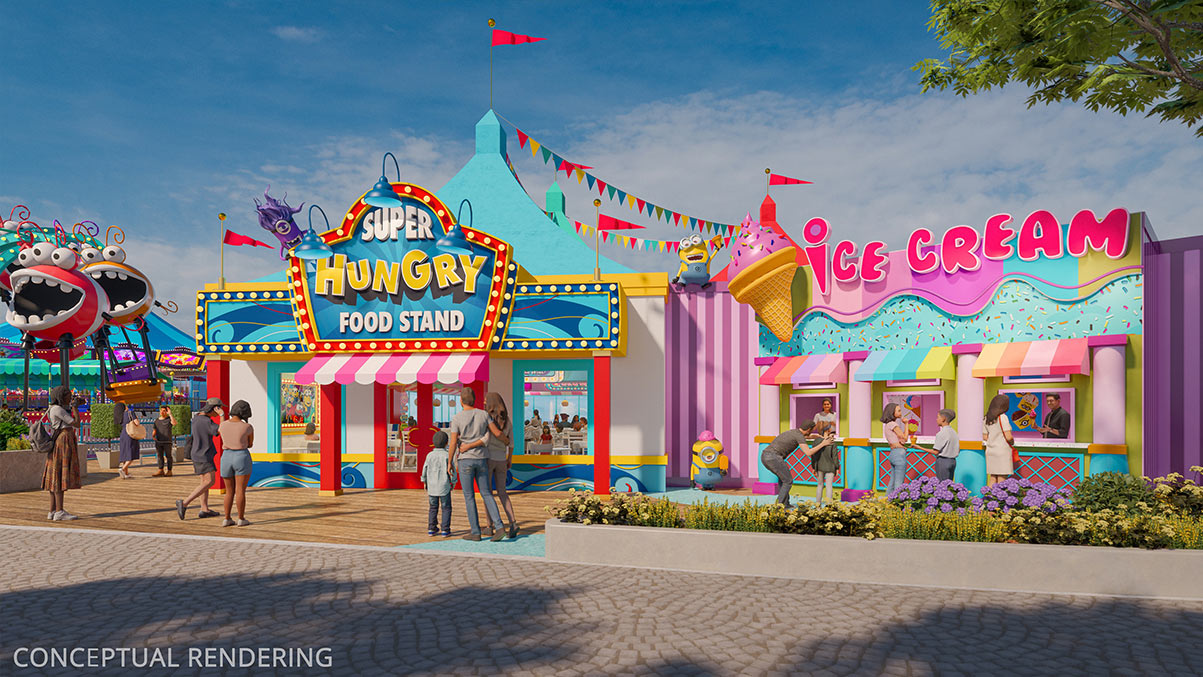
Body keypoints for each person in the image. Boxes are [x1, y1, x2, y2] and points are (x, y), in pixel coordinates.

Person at [448, 387, 504, 542]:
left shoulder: (457, 418)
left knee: (469, 496)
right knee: (486, 493)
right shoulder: (484, 414)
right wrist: (508, 443)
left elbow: (453, 443)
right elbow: (495, 432)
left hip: (465, 459)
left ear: (461, 401)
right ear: (474, 400)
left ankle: (475, 531)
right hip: (482, 458)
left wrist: (450, 462)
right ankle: (499, 527)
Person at [460, 392, 518, 539]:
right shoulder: (508, 421)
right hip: (501, 460)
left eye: (486, 401)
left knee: (487, 493)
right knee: (502, 493)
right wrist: (509, 458)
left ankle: (489, 526)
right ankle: (513, 523)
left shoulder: (486, 418)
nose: (484, 402)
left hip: (487, 458)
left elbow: (485, 437)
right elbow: (511, 443)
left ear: (491, 403)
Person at [760, 422, 835, 509]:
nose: (811, 433)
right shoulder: (799, 436)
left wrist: (816, 436)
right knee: (788, 481)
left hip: (765, 456)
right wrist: (823, 444)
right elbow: (808, 452)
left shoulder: (794, 432)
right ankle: (779, 506)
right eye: (811, 431)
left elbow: (805, 436)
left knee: (783, 479)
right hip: (774, 457)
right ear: (808, 430)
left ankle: (785, 504)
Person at [176, 398, 224, 520]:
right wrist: (222, 416)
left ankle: (204, 509)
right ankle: (185, 503)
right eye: (219, 409)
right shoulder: (206, 421)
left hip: (197, 453)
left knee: (204, 482)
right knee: (210, 481)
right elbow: (221, 430)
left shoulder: (197, 418)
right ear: (214, 408)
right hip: (204, 454)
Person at [42, 385, 81, 521]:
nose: (70, 397)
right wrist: (75, 407)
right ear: (62, 396)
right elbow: (76, 423)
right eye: (68, 395)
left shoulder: (52, 408)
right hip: (63, 441)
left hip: (58, 441)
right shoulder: (58, 409)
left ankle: (52, 510)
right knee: (60, 475)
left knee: (55, 476)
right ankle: (59, 511)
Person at [218, 400, 254, 527]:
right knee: (240, 490)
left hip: (226, 456)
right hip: (241, 456)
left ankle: (227, 518)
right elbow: (250, 444)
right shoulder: (247, 427)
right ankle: (241, 518)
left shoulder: (222, 425)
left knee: (229, 491)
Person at [421, 430, 454, 537]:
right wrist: (453, 482)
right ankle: (445, 529)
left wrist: (424, 481)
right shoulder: (447, 455)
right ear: (446, 443)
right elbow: (452, 470)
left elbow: (424, 469)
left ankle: (432, 528)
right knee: (446, 507)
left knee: (433, 507)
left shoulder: (429, 455)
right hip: (444, 486)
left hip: (432, 486)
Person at [983, 394, 1015, 486]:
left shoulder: (986, 418)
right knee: (1002, 478)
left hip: (991, 451)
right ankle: (999, 498)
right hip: (1002, 451)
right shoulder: (1002, 417)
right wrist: (1012, 442)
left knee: (993, 477)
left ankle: (989, 498)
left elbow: (985, 437)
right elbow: (1008, 437)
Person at [882, 403, 909, 497]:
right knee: (899, 483)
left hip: (893, 453)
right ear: (892, 412)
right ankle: (897, 503)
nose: (900, 412)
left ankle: (887, 502)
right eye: (898, 410)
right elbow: (905, 438)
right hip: (898, 454)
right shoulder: (893, 424)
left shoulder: (887, 425)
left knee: (892, 482)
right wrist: (906, 424)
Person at [932, 409, 960, 482]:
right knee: (949, 485)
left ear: (943, 419)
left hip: (943, 461)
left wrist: (918, 447)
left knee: (942, 486)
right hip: (952, 462)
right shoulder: (954, 433)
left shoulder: (941, 433)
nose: (936, 419)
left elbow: (935, 451)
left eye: (938, 417)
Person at [151, 406, 176, 477]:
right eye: (161, 410)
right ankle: (160, 470)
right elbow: (155, 430)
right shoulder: (157, 421)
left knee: (168, 456)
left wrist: (170, 414)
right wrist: (153, 436)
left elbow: (174, 423)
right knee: (159, 456)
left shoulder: (169, 419)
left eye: (164, 411)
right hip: (159, 441)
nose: (162, 412)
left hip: (167, 441)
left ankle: (169, 470)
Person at [118, 406, 141, 479]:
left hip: (123, 434)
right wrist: (137, 418)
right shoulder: (131, 412)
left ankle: (126, 473)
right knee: (131, 453)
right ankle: (123, 468)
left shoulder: (120, 415)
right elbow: (137, 423)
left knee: (125, 453)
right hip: (130, 434)